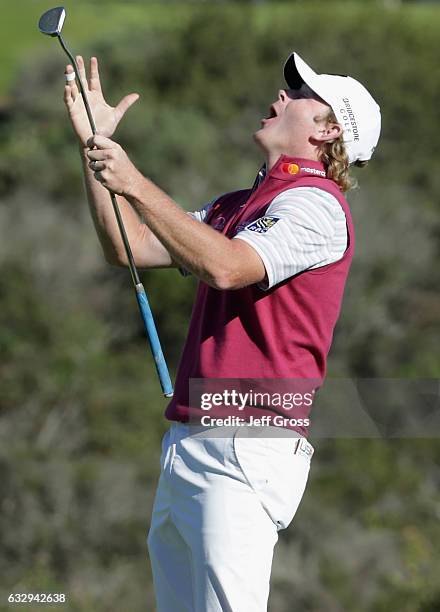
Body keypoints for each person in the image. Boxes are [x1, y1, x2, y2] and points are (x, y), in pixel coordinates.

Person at [63, 51, 381, 611]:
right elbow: (129, 247)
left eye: (300, 93)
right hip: (188, 441)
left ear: (330, 130)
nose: (281, 96)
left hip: (246, 443)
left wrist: (133, 180)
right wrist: (96, 153)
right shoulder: (238, 205)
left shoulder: (317, 206)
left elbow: (228, 268)